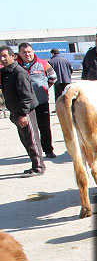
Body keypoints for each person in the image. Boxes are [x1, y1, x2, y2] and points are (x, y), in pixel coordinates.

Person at [1, 46, 44, 176]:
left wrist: (24, 114)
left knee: (32, 140)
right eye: (0, 57)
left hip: (25, 113)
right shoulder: (5, 72)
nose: (2, 59)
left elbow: (26, 95)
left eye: (4, 56)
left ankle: (39, 168)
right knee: (26, 140)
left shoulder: (19, 72)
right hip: (16, 112)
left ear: (12, 56)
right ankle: (34, 165)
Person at [17, 43, 57, 159]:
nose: (27, 54)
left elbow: (53, 77)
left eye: (29, 51)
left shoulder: (43, 63)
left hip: (41, 102)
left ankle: (48, 150)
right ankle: (33, 152)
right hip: (25, 105)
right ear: (19, 53)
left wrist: (44, 88)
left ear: (33, 51)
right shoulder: (16, 66)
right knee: (27, 130)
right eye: (24, 52)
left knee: (44, 127)